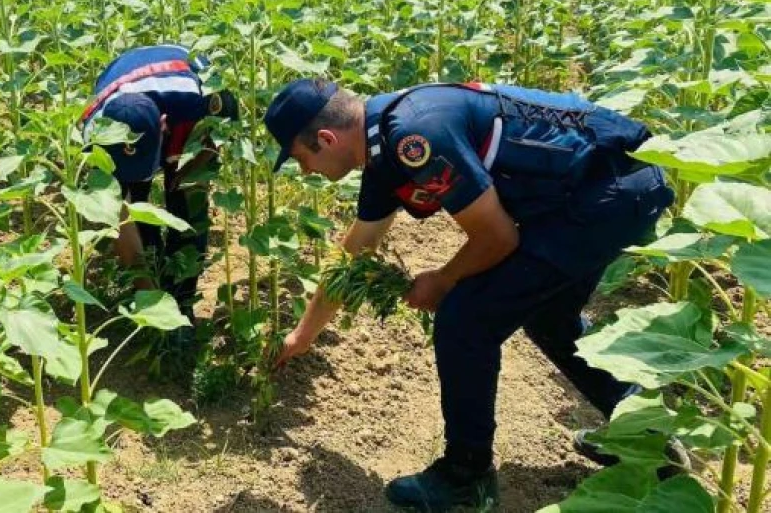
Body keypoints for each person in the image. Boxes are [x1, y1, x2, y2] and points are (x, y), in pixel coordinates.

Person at [264, 78, 677, 511]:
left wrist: (444, 280)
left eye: (299, 159)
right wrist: (303, 335)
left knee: (466, 319)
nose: (305, 172)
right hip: (606, 186)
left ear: (326, 139)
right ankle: (646, 439)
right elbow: (353, 254)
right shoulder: (383, 144)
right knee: (548, 314)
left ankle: (466, 476)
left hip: (607, 191)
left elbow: (497, 238)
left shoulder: (413, 135)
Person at [79, 44, 237, 331]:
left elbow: (221, 138)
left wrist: (186, 172)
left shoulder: (202, 99)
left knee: (190, 205)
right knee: (135, 214)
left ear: (163, 125)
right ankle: (155, 276)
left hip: (185, 98)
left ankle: (182, 297)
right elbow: (119, 214)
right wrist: (149, 296)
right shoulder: (95, 132)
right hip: (125, 78)